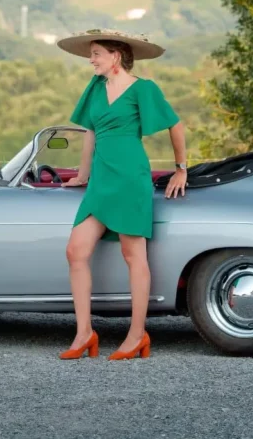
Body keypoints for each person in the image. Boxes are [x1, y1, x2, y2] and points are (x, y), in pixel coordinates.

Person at [55, 28, 187, 361]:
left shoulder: (143, 88)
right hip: (101, 182)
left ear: (115, 56)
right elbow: (90, 133)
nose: (91, 59)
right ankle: (84, 333)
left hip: (130, 178)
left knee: (134, 256)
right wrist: (82, 175)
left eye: (96, 53)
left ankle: (137, 334)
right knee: (76, 250)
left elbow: (176, 125)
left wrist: (181, 168)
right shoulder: (95, 88)